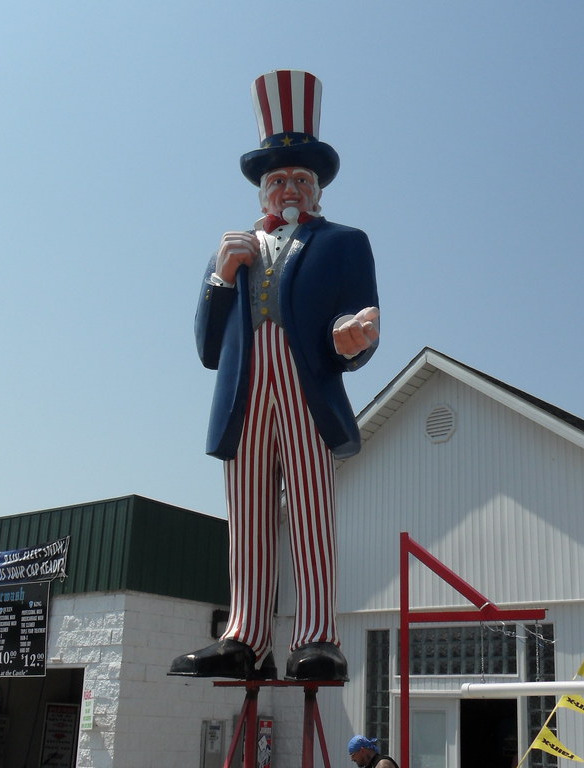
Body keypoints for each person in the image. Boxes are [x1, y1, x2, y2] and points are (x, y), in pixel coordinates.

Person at [168, 70, 379, 682]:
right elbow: (209, 348)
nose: (288, 188)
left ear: (316, 189)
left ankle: (317, 636)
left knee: (312, 510)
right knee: (248, 513)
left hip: (306, 383)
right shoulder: (229, 252)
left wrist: (356, 337)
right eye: (277, 179)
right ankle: (245, 634)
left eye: (299, 179)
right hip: (244, 391)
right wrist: (217, 280)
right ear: (262, 191)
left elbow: (360, 318)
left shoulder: (344, 242)